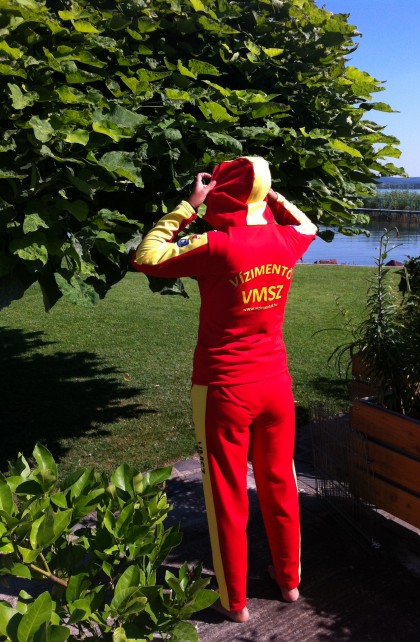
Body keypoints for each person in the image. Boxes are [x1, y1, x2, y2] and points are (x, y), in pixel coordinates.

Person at [132, 156, 317, 622]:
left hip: (223, 388)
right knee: (281, 484)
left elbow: (146, 256)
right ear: (262, 194)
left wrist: (189, 206)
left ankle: (235, 602)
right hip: (275, 385)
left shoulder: (216, 244)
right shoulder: (288, 239)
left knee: (226, 495)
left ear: (223, 193)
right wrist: (269, 195)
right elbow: (308, 224)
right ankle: (289, 582)